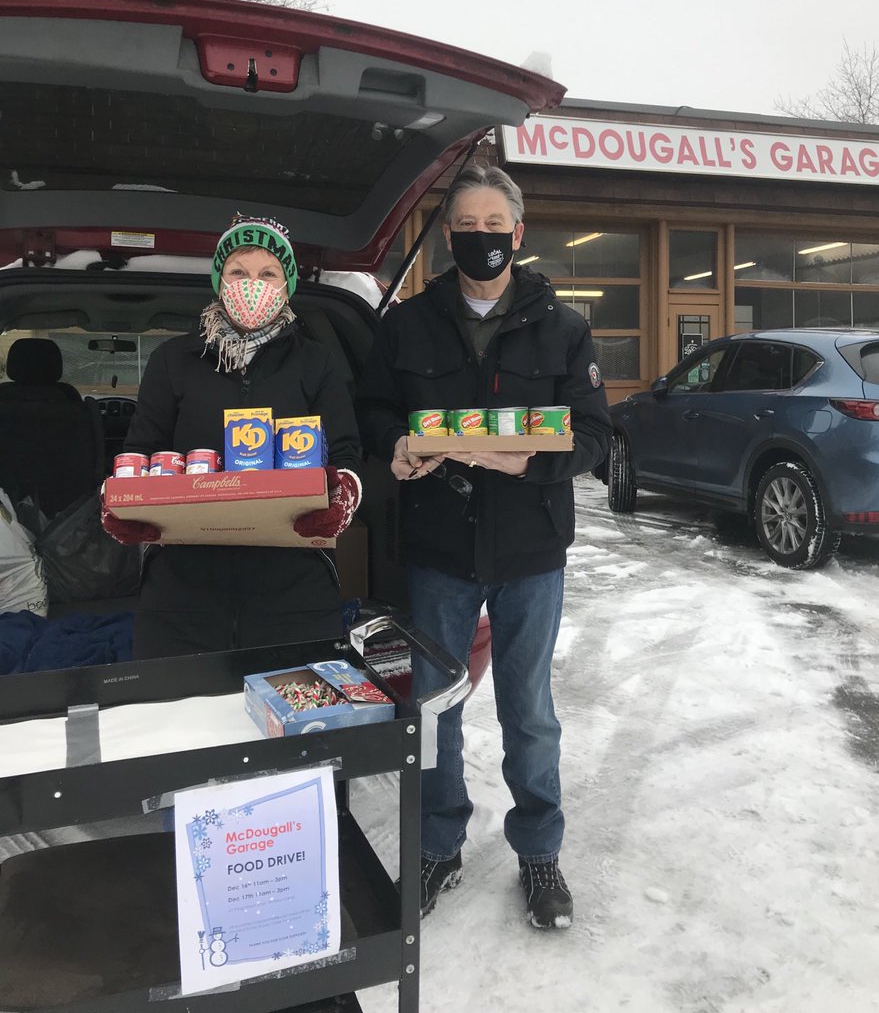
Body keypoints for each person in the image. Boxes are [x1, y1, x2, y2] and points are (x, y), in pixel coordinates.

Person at [356, 164, 611, 929]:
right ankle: (438, 845)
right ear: (448, 237)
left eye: (493, 228)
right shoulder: (406, 324)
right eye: (466, 228)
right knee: (436, 708)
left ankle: (539, 850)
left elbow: (595, 435)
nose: (481, 240)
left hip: (531, 549)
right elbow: (370, 412)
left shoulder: (563, 327)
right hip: (438, 546)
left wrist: (532, 460)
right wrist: (396, 446)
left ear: (518, 235)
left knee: (528, 710)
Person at [100, 214, 362, 659]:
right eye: (238, 272)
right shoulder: (173, 359)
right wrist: (121, 504)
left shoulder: (316, 362)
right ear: (219, 280)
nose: (252, 284)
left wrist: (343, 497)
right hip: (181, 591)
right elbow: (139, 452)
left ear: (287, 284)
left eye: (268, 273)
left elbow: (346, 452)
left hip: (294, 585)